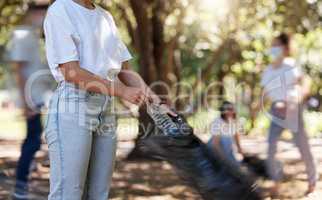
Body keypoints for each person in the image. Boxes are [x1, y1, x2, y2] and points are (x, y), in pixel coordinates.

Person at [43, 0, 174, 199]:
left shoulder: (105, 17)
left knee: (99, 194)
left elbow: (126, 72)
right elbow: (71, 72)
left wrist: (157, 103)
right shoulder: (61, 10)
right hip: (74, 106)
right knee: (68, 193)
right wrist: (121, 91)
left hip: (106, 108)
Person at [261, 33, 317, 195]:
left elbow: (305, 84)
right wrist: (258, 107)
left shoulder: (291, 65)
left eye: (277, 45)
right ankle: (276, 181)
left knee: (303, 146)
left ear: (285, 48)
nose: (273, 48)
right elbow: (264, 93)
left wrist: (296, 98)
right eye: (272, 45)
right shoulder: (268, 71)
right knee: (271, 146)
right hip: (275, 111)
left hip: (292, 110)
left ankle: (312, 180)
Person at [7, 3, 50, 200]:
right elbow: (19, 70)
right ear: (33, 12)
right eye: (41, 12)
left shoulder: (33, 35)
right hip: (30, 97)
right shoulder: (22, 35)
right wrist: (26, 102)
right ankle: (20, 186)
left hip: (38, 96)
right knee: (32, 142)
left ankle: (22, 182)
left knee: (34, 140)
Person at [207, 101, 244, 166]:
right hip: (215, 150)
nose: (229, 112)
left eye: (232, 109)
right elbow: (215, 144)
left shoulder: (234, 122)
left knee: (236, 166)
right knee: (226, 139)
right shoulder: (217, 122)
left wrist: (240, 149)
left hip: (227, 150)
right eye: (227, 110)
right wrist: (223, 159)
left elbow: (236, 136)